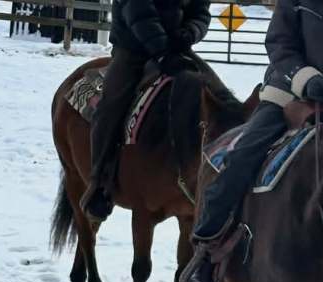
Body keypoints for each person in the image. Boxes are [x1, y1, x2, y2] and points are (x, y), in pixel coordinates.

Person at [182, 0, 323, 282]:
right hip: (286, 95)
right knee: (243, 156)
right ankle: (208, 249)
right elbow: (280, 42)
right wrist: (305, 78)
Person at [81, 0, 227, 222]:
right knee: (111, 104)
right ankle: (99, 181)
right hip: (133, 47)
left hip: (178, 48)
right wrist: (161, 50)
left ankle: (224, 178)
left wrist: (189, 32)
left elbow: (201, 12)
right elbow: (137, 10)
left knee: (221, 100)